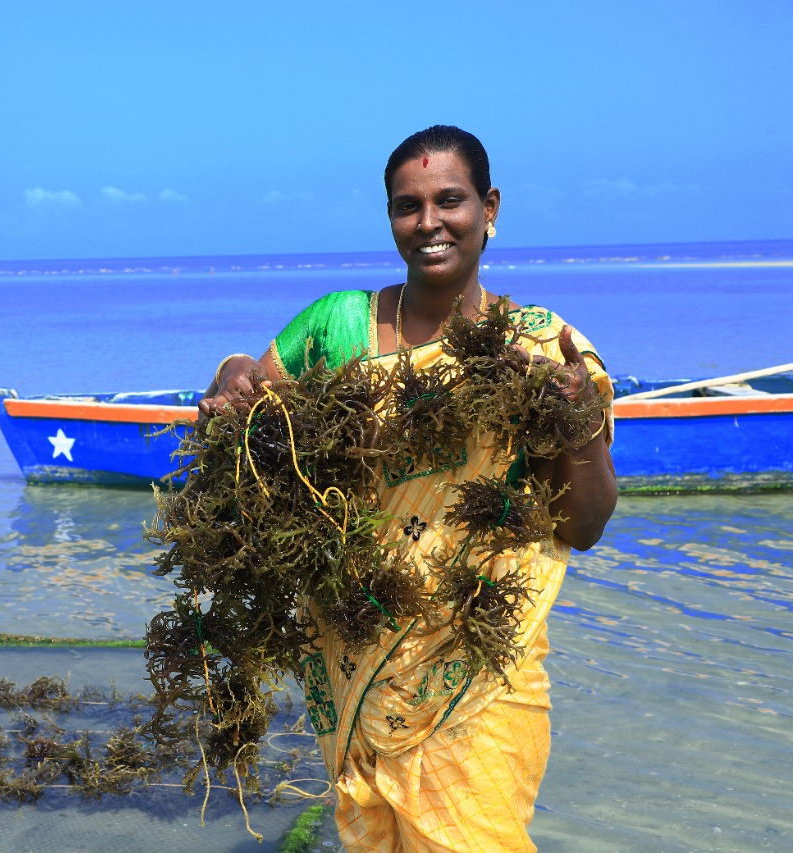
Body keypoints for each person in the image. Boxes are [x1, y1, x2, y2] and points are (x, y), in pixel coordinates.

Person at [198, 125, 617, 852]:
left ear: (489, 207)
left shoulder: (541, 350)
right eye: (407, 205)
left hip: (484, 670)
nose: (429, 223)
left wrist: (575, 420)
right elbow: (240, 418)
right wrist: (230, 372)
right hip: (355, 655)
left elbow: (583, 525)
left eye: (449, 200)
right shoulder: (336, 328)